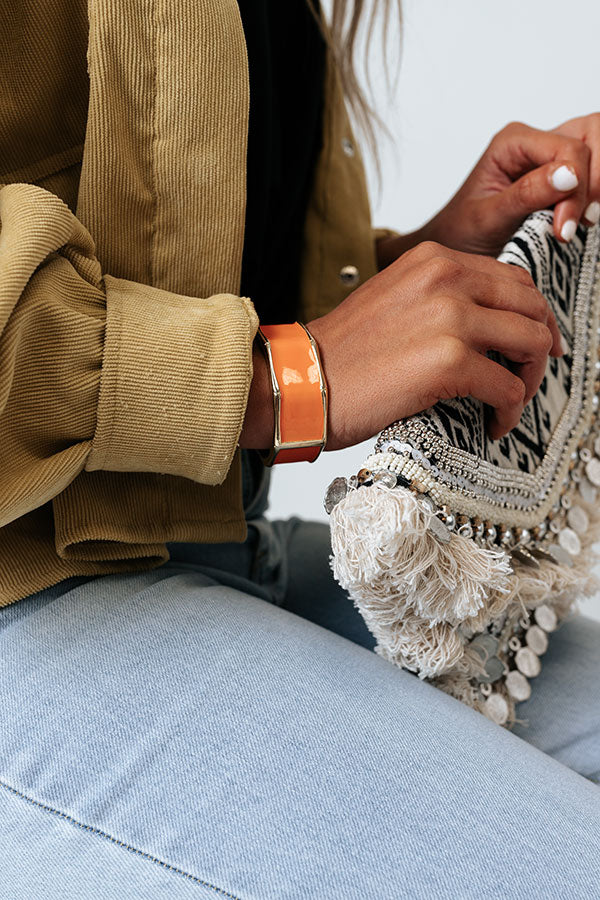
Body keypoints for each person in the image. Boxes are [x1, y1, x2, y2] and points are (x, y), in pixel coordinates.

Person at [0, 0, 599, 896]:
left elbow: (177, 246)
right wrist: (284, 377)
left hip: (208, 539)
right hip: (33, 607)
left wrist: (434, 268)